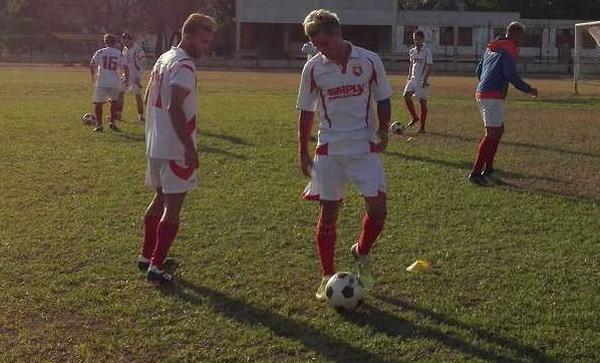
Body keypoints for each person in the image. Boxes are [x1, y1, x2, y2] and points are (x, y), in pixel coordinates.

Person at [296, 9, 393, 300]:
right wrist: (302, 151)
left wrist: (384, 131)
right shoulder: (313, 68)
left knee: (378, 210)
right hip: (330, 148)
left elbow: (383, 98)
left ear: (338, 33)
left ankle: (361, 251)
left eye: (323, 42)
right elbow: (305, 111)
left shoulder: (369, 60)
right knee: (328, 212)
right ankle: (326, 276)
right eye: (314, 43)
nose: (319, 48)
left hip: (364, 146)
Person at [138, 13, 217, 283]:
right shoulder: (184, 64)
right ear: (188, 34)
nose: (206, 47)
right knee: (172, 207)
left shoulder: (164, 58)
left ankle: (146, 255)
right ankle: (156, 267)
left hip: (155, 143)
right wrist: (189, 148)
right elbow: (174, 107)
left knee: (159, 200)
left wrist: (152, 125)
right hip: (174, 147)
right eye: (203, 41)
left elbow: (150, 95)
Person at [469, 21, 538, 186]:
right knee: (492, 133)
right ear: (513, 33)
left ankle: (489, 167)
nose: (520, 41)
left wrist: (486, 82)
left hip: (484, 92)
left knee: (498, 131)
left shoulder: (492, 47)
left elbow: (479, 70)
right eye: (520, 37)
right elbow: (510, 74)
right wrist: (528, 89)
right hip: (492, 95)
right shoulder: (508, 49)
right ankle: (476, 172)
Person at [89, 33, 128, 132]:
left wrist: (93, 76)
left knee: (98, 103)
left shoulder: (100, 52)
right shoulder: (118, 53)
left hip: (102, 81)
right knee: (114, 102)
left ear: (105, 42)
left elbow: (92, 64)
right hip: (114, 81)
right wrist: (126, 78)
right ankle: (112, 123)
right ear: (115, 43)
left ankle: (99, 125)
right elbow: (126, 67)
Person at [403, 30, 433, 133]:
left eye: (418, 39)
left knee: (422, 103)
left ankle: (422, 127)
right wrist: (409, 75)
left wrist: (425, 80)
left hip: (422, 80)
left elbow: (429, 65)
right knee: (406, 96)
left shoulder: (427, 51)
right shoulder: (412, 51)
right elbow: (411, 64)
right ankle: (415, 117)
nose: (416, 41)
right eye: (415, 39)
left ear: (423, 39)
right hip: (413, 78)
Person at [118, 32, 147, 122]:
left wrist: (138, 76)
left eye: (125, 42)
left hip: (135, 76)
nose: (124, 44)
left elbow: (144, 63)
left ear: (130, 40)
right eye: (123, 42)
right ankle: (119, 114)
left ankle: (141, 115)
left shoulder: (138, 50)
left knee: (137, 96)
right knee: (120, 93)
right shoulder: (125, 49)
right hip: (126, 75)